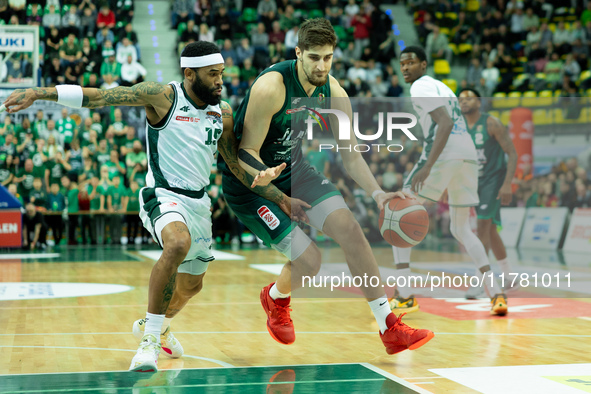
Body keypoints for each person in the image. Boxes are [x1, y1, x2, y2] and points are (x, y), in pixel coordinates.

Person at [3, 42, 236, 372]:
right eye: (213, 74)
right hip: (163, 193)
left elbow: (235, 161)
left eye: (221, 74)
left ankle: (158, 325)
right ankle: (149, 342)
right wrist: (41, 92)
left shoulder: (222, 111)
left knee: (190, 287)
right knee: (177, 244)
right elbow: (100, 97)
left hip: (200, 203)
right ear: (189, 73)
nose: (220, 81)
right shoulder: (161, 96)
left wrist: (275, 192)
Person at [218, 18, 434, 354]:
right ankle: (276, 298)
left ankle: (388, 327)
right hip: (251, 182)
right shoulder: (271, 87)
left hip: (295, 170)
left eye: (328, 58)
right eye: (314, 57)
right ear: (298, 53)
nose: (321, 65)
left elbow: (350, 155)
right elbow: (245, 152)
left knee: (350, 230)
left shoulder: (334, 92)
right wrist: (270, 183)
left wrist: (378, 194)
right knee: (310, 261)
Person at [388, 46, 508, 316]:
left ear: (424, 64)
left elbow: (443, 123)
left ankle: (405, 295)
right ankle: (496, 292)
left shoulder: (420, 87)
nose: (405, 68)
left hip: (444, 154)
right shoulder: (442, 87)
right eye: (402, 64)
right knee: (462, 229)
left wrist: (428, 166)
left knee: (397, 213)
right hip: (467, 158)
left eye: (411, 63)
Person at [459, 88, 519, 298]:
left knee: (482, 226)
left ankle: (480, 281)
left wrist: (507, 183)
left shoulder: (491, 123)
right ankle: (509, 276)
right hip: (474, 181)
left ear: (479, 102)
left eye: (469, 98)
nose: (464, 102)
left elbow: (512, 153)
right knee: (491, 229)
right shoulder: (459, 127)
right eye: (461, 99)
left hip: (493, 181)